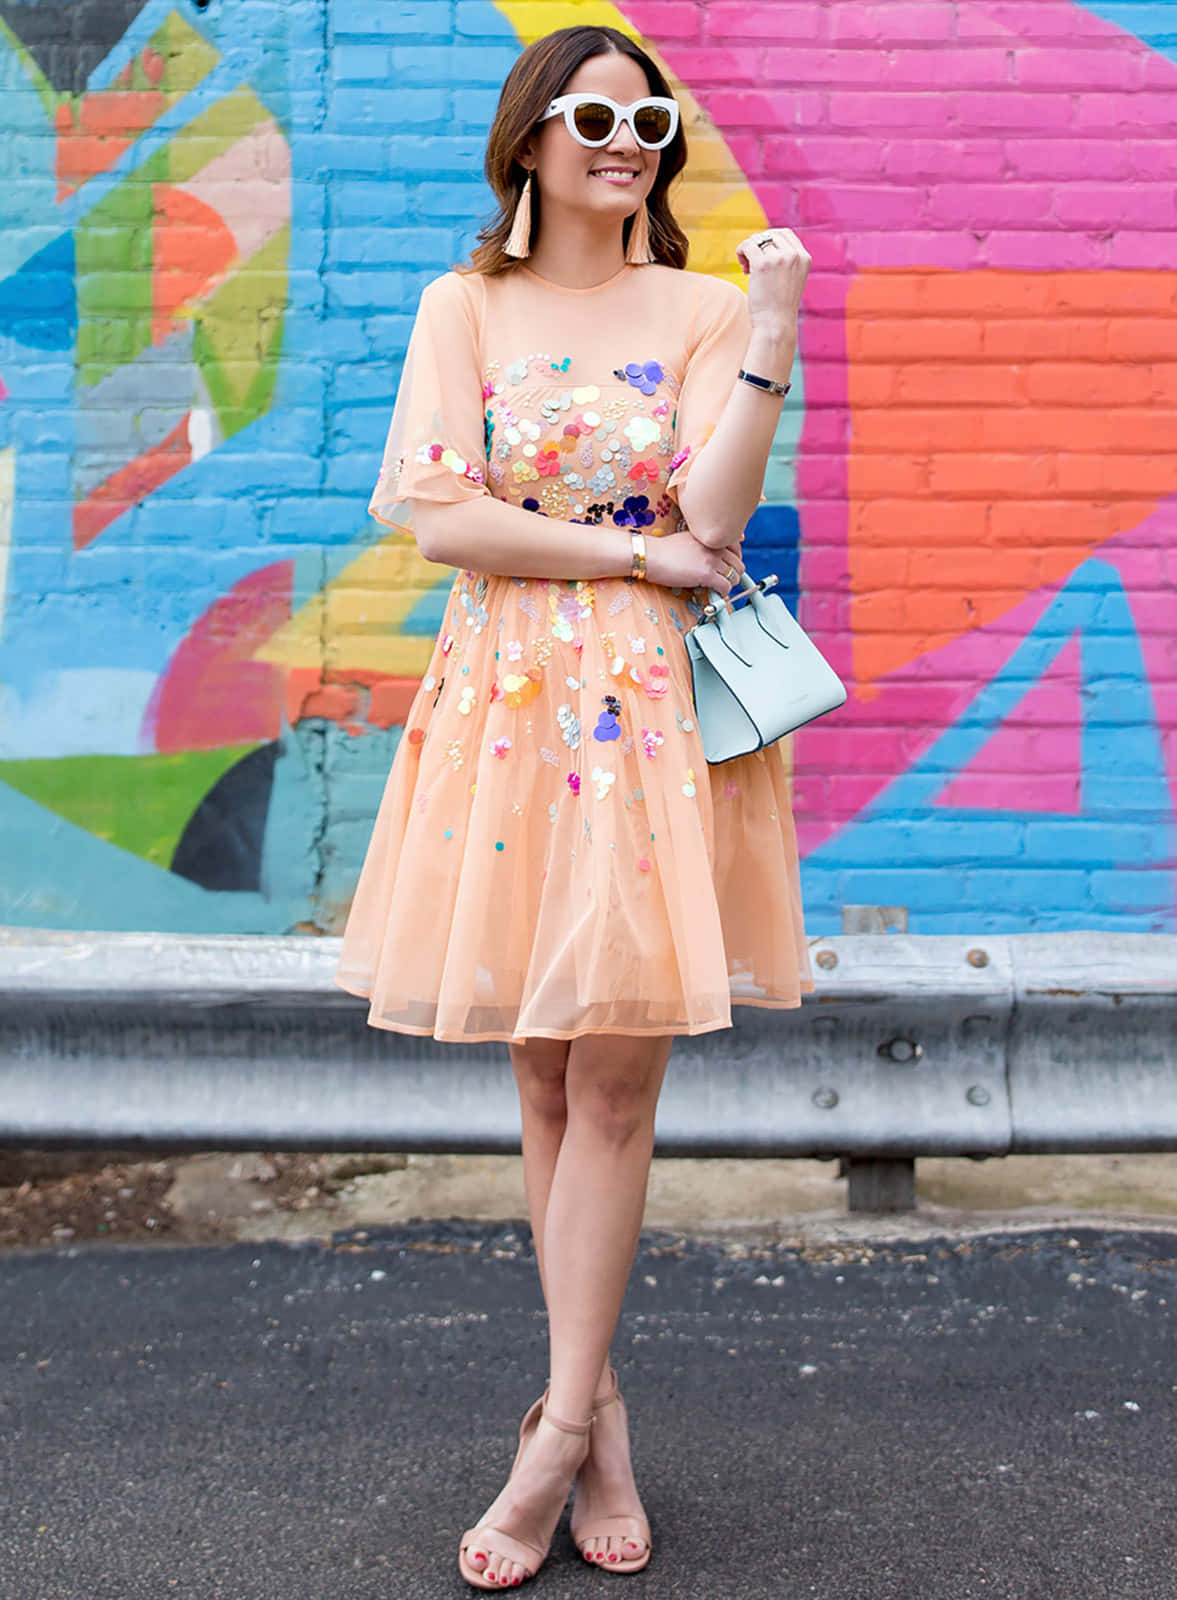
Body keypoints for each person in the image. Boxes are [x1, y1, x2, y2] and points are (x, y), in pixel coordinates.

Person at [333, 22, 814, 1590]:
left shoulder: (701, 304)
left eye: (649, 118)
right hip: (502, 706)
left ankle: (547, 1439)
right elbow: (428, 502)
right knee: (541, 1077)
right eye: (595, 114)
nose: (627, 139)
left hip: (646, 716)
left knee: (612, 1085)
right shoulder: (461, 304)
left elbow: (715, 514)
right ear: (531, 135)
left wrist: (773, 335)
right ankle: (597, 1411)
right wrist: (620, 554)